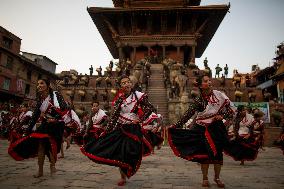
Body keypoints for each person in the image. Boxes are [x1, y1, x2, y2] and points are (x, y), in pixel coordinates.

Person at [80, 75, 156, 186]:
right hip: (121, 129)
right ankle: (122, 177)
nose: (127, 84)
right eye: (123, 83)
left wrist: (140, 120)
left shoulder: (139, 96)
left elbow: (150, 109)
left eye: (128, 82)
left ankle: (128, 168)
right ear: (120, 86)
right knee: (120, 152)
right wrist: (106, 132)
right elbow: (114, 117)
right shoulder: (119, 99)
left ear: (131, 84)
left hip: (134, 130)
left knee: (131, 151)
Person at [168, 71, 237, 188]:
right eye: (205, 81)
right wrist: (175, 126)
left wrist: (223, 116)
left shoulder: (220, 95)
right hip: (202, 130)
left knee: (218, 154)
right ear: (200, 85)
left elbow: (232, 110)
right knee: (205, 155)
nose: (209, 82)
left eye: (209, 80)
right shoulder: (198, 101)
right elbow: (187, 115)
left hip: (217, 128)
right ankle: (205, 178)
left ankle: (217, 177)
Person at [8, 79, 67, 178]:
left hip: (56, 125)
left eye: (42, 83)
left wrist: (55, 119)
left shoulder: (56, 96)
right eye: (38, 84)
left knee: (50, 147)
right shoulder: (40, 100)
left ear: (47, 86)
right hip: (45, 125)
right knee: (41, 146)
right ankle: (40, 171)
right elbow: (35, 116)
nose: (39, 85)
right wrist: (27, 130)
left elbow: (64, 109)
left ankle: (52, 165)